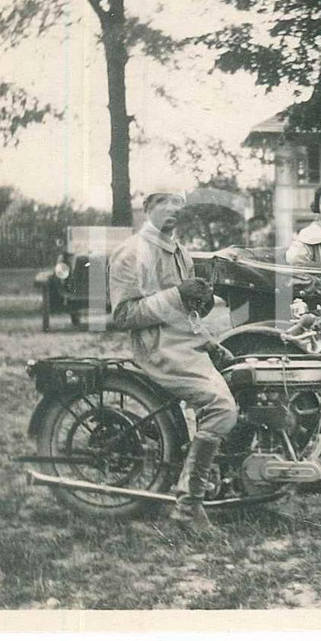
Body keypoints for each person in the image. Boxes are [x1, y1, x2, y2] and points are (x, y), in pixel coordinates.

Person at [109, 187, 237, 534]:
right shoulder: (133, 252)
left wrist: (209, 342)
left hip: (184, 344)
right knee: (221, 407)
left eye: (179, 204)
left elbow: (186, 312)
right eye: (165, 203)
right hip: (159, 348)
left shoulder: (178, 250)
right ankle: (188, 506)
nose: (173, 210)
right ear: (147, 208)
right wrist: (177, 295)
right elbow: (122, 314)